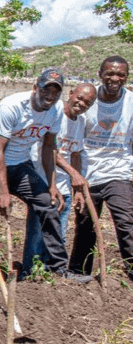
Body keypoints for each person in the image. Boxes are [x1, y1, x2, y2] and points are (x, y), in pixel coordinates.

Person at [0, 68, 90, 282]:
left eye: (56, 92)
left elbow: (48, 147)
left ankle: (58, 267)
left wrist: (52, 185)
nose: (50, 96)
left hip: (20, 163)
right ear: (35, 87)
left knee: (48, 203)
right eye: (46, 89)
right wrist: (3, 192)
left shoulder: (54, 112)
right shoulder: (12, 106)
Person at [21, 83, 96, 275]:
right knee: (37, 234)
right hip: (44, 183)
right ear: (71, 94)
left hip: (64, 188)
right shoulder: (54, 115)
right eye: (79, 98)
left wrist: (77, 188)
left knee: (59, 235)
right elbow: (51, 150)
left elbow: (76, 153)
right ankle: (28, 275)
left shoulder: (80, 122)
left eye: (88, 102)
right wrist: (74, 174)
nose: (82, 104)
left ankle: (53, 275)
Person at [70, 57, 133, 281]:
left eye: (121, 75)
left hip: (119, 171)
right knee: (85, 224)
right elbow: (76, 141)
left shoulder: (131, 102)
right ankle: (79, 273)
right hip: (88, 173)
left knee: (126, 222)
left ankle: (131, 273)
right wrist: (76, 177)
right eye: (110, 74)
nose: (115, 79)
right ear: (100, 74)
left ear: (126, 77)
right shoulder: (88, 100)